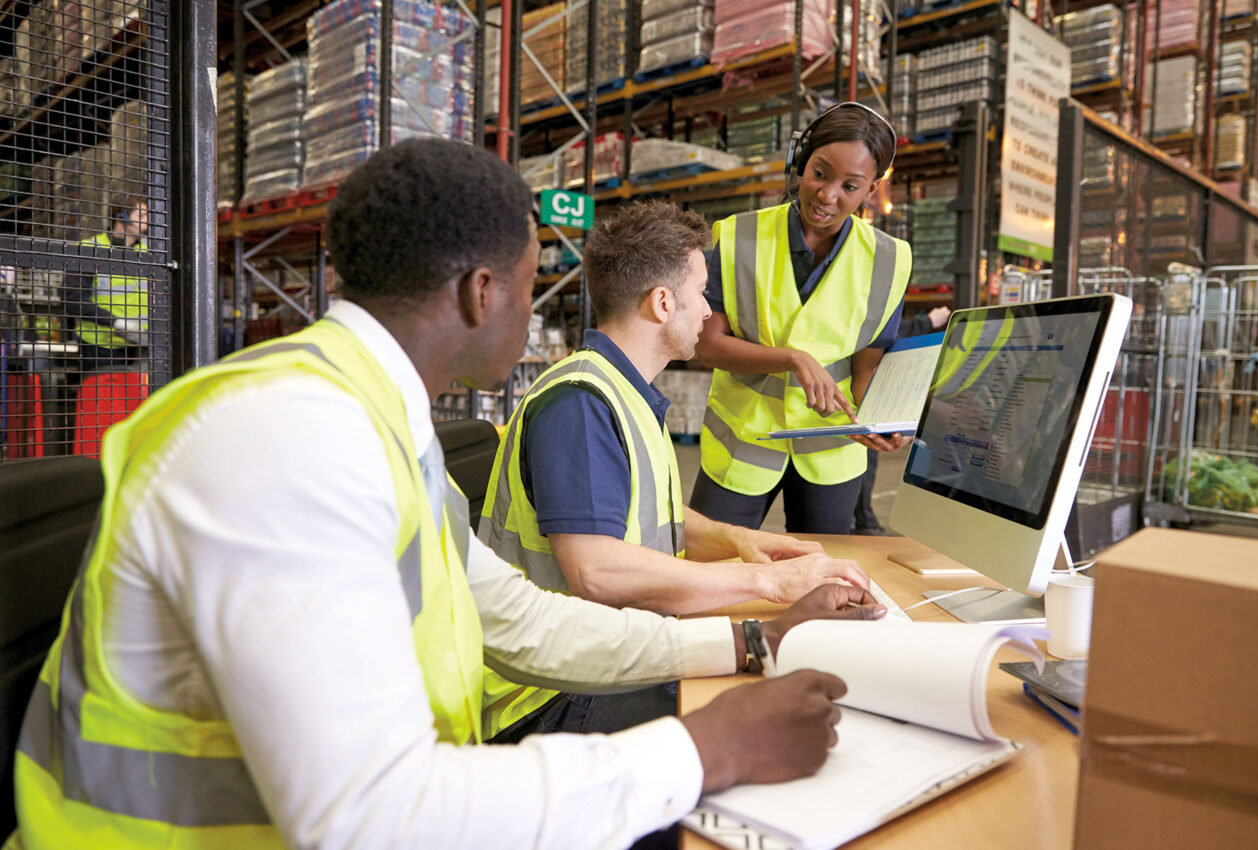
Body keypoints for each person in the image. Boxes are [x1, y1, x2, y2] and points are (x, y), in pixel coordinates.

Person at [5, 139, 888, 850]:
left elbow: (518, 620)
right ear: (481, 292)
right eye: (532, 279)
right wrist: (707, 750)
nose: (541, 305)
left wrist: (748, 640)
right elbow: (366, 817)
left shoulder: (374, 414)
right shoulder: (290, 436)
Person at [477, 199, 872, 741]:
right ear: (663, 303)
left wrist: (739, 540)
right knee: (788, 704)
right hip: (550, 697)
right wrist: (767, 582)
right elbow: (598, 571)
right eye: (701, 294)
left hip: (603, 660)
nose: (709, 311)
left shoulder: (620, 390)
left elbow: (649, 514)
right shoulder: (579, 404)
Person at [691, 102, 914, 535]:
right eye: (819, 174)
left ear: (871, 191)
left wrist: (881, 421)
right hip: (743, 441)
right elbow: (707, 346)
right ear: (800, 162)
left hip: (831, 451)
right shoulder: (737, 236)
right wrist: (791, 358)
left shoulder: (890, 260)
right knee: (707, 561)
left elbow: (865, 369)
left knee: (823, 579)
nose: (828, 195)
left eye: (850, 186)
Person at [853, 305, 952, 535]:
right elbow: (886, 331)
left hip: (862, 401)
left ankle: (864, 520)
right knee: (866, 459)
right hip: (852, 404)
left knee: (867, 460)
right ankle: (864, 521)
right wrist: (926, 321)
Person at [61, 196, 150, 372]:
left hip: (142, 347)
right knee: (104, 398)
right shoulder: (90, 249)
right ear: (122, 217)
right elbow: (71, 298)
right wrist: (116, 322)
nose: (148, 220)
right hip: (100, 349)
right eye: (143, 215)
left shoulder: (150, 253)